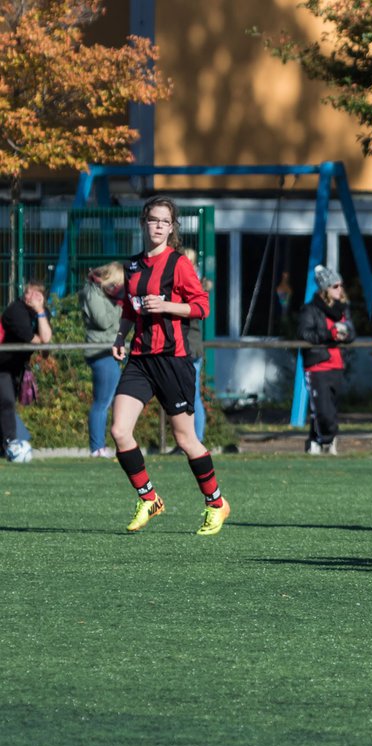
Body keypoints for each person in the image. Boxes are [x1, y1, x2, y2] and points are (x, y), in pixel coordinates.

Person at [109, 196, 230, 535]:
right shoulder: (132, 266)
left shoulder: (177, 263)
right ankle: (149, 498)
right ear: (143, 222)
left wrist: (167, 305)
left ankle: (216, 503)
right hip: (140, 360)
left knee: (186, 439)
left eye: (166, 221)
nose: (159, 226)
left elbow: (201, 306)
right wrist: (120, 337)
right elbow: (130, 310)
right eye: (154, 220)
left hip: (172, 360)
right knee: (119, 430)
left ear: (172, 227)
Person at [298, 265, 352, 455]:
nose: (340, 289)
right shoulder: (310, 309)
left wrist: (345, 334)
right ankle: (327, 439)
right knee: (323, 410)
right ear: (325, 289)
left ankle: (315, 441)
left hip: (337, 365)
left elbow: (351, 331)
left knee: (329, 408)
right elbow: (305, 333)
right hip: (317, 365)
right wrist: (329, 334)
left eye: (340, 285)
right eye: (335, 286)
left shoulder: (343, 309)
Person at [1, 282, 52, 463]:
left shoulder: (41, 313)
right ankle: (11, 441)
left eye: (36, 294)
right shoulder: (16, 311)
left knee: (8, 403)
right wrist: (41, 340)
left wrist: (40, 312)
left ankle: (5, 445)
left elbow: (46, 342)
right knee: (6, 402)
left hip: (15, 366)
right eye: (29, 293)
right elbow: (34, 340)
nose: (30, 297)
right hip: (2, 365)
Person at [81, 263, 125, 458]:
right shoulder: (93, 293)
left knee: (114, 400)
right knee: (102, 402)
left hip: (111, 350)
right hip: (101, 351)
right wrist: (121, 308)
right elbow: (103, 321)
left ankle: (111, 443)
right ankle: (97, 447)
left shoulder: (106, 295)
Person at [181, 248, 213, 444]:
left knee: (192, 395)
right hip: (188, 346)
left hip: (190, 348)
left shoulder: (192, 288)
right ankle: (189, 438)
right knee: (187, 395)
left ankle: (196, 439)